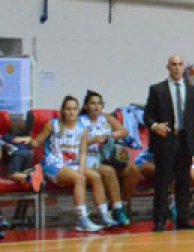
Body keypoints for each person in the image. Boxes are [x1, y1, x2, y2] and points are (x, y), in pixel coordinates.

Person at [16, 95, 110, 231]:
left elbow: (83, 152)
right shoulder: (53, 124)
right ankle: (82, 220)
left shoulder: (83, 128)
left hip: (73, 164)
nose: (71, 112)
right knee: (79, 178)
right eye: (68, 109)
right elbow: (37, 142)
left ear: (78, 110)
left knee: (95, 176)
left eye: (74, 109)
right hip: (53, 164)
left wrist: (82, 168)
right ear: (63, 111)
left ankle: (105, 215)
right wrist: (28, 139)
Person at [144, 54, 194, 232]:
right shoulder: (157, 89)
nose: (177, 67)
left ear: (184, 68)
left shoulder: (192, 91)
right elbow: (147, 116)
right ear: (168, 67)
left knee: (183, 181)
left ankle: (183, 218)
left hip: (185, 139)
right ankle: (160, 219)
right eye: (173, 64)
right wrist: (155, 125)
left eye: (180, 64)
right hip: (166, 139)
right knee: (163, 181)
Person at [79, 90, 133, 226]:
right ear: (86, 106)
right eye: (92, 103)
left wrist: (110, 136)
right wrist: (93, 140)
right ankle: (118, 208)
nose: (96, 106)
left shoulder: (106, 118)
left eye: (99, 103)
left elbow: (124, 131)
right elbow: (75, 143)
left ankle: (121, 204)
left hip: (108, 156)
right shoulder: (80, 121)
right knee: (108, 171)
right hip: (89, 157)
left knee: (133, 170)